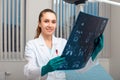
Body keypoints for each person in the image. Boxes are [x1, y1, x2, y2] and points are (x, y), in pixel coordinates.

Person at [24, 8, 103, 80]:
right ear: (39, 24)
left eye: (53, 22)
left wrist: (94, 53)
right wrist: (45, 69)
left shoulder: (63, 43)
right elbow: (28, 72)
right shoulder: (31, 45)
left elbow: (79, 68)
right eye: (46, 21)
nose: (50, 25)